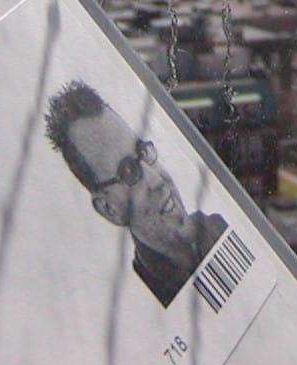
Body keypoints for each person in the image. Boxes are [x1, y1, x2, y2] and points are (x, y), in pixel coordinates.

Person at [45, 80, 227, 307]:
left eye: (142, 151)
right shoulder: (143, 301)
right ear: (110, 209)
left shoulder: (218, 228)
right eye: (129, 171)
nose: (158, 179)